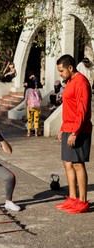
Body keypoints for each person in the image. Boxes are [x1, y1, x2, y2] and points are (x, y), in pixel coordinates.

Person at [56, 54, 92, 214]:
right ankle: (72, 198)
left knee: (78, 164)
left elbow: (82, 110)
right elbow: (68, 107)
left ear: (70, 68)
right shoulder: (70, 81)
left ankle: (82, 201)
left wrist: (75, 132)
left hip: (79, 129)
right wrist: (63, 128)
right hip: (68, 127)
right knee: (67, 163)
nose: (60, 74)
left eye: (62, 71)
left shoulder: (81, 82)